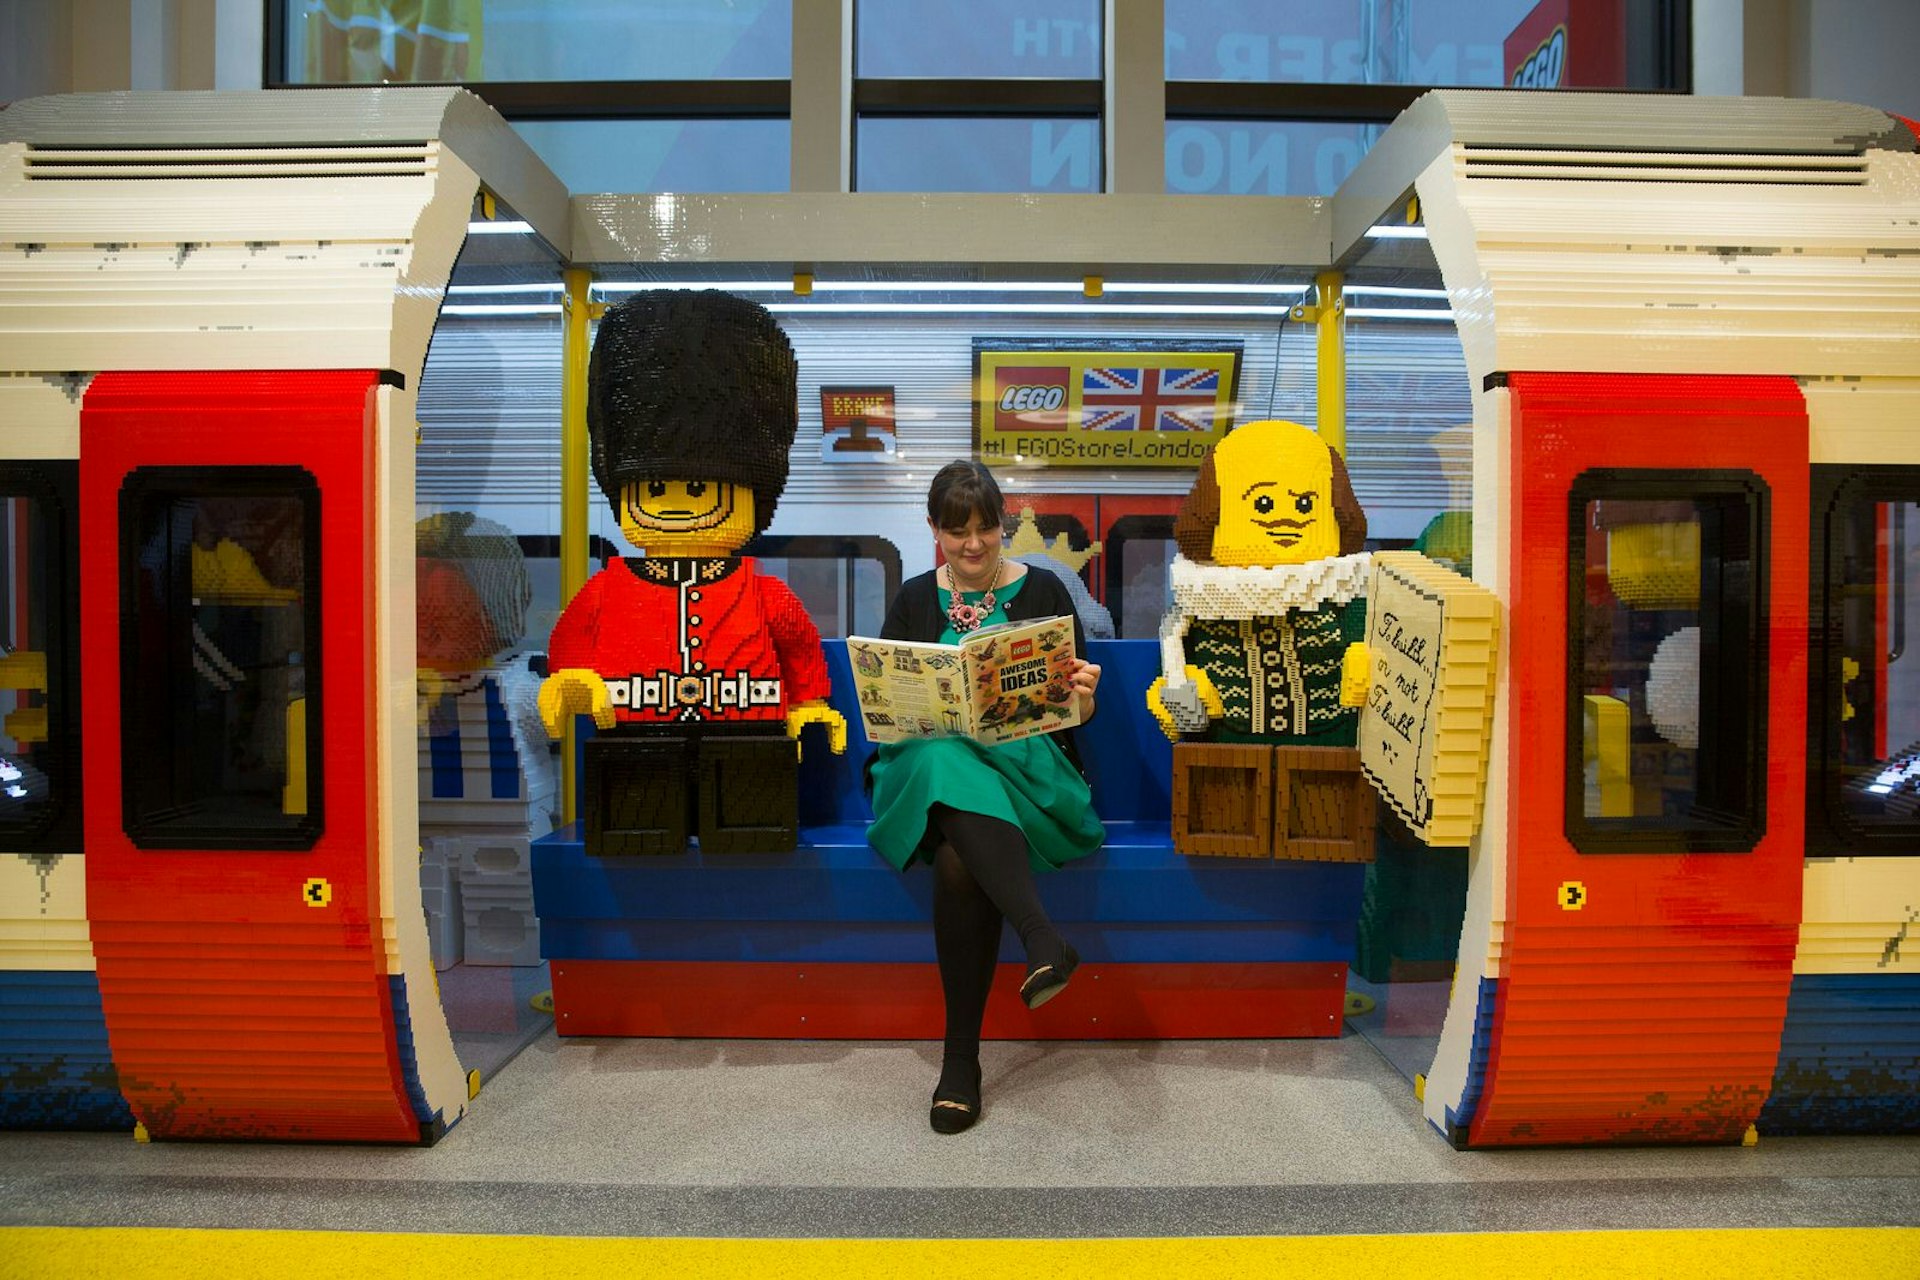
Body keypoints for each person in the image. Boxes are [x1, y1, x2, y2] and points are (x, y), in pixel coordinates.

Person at [866, 460, 1104, 1134]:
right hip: (927, 773)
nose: (972, 545)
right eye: (955, 531)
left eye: (986, 528)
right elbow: (890, 714)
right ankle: (1043, 939)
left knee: (958, 863)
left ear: (1003, 522)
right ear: (934, 530)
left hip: (1027, 775)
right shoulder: (914, 599)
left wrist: (1083, 697)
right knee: (941, 751)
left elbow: (1076, 720)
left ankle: (960, 1065)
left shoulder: (1047, 591)